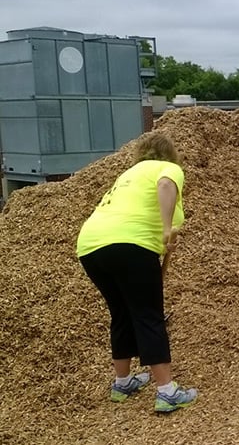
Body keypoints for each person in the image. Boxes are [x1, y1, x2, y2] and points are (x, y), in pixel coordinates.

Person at [76, 131, 198, 413]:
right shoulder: (168, 168)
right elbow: (167, 185)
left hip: (91, 247)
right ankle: (167, 392)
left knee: (122, 313)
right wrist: (167, 229)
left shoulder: (129, 175)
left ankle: (122, 383)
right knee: (148, 316)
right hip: (131, 245)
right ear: (170, 154)